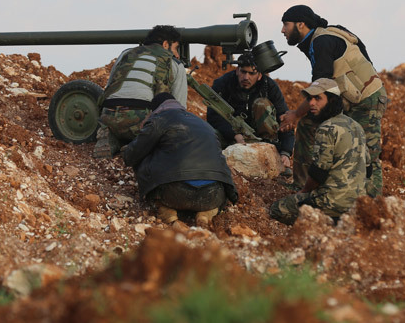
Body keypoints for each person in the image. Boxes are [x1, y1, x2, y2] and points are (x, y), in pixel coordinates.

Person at [279, 5, 387, 197]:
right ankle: (302, 186)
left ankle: (371, 203)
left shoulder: (322, 42)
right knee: (308, 125)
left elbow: (320, 88)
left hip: (366, 102)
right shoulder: (321, 38)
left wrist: (295, 114)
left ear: (301, 24)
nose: (282, 30)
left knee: (368, 153)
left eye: (286, 25)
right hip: (347, 100)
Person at [122, 92, 237, 227]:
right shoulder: (205, 125)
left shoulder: (159, 120)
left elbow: (131, 156)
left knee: (144, 156)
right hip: (213, 195)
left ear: (155, 109)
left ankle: (167, 212)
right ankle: (206, 214)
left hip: (174, 193)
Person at [270, 78, 369, 225]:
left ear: (332, 100)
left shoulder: (326, 128)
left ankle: (328, 222)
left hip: (330, 202)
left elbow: (319, 172)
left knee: (277, 209)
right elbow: (368, 168)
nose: (311, 103)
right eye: (310, 98)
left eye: (318, 98)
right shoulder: (356, 126)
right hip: (357, 203)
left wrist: (304, 192)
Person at [95, 25, 188, 157]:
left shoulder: (126, 54)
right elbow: (179, 109)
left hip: (108, 115)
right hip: (141, 122)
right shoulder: (174, 63)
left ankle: (111, 135)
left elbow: (110, 86)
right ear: (166, 44)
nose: (177, 54)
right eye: (176, 48)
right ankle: (137, 145)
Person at [206, 53, 295, 173]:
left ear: (259, 75)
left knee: (262, 104)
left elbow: (285, 120)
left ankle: (271, 156)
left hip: (262, 140)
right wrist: (234, 134)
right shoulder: (223, 83)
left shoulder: (269, 86)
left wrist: (285, 152)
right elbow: (213, 116)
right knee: (208, 133)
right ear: (237, 70)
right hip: (231, 136)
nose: (246, 77)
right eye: (243, 72)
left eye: (251, 73)